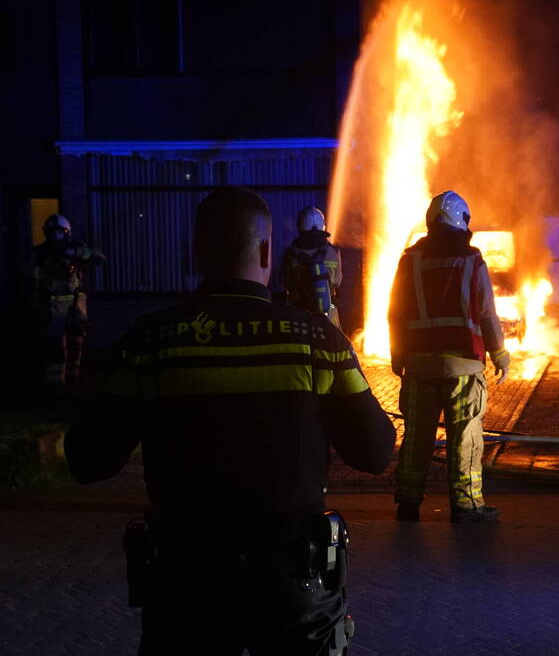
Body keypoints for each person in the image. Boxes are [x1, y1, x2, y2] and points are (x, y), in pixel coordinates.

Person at [64, 187, 396, 655]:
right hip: (293, 587)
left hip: (184, 582)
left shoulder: (150, 342)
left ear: (196, 252)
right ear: (266, 251)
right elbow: (377, 453)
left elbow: (88, 460)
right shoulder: (317, 340)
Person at [388, 190, 511, 524]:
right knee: (465, 436)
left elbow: (395, 313)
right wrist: (500, 354)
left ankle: (409, 502)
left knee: (416, 435)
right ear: (463, 221)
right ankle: (466, 505)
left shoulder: (409, 260)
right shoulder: (472, 259)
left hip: (418, 363)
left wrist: (397, 355)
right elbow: (486, 312)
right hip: (463, 365)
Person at [30, 214, 105, 390]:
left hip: (76, 306)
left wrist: (77, 252)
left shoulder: (74, 249)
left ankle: (73, 379)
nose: (57, 236)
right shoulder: (40, 252)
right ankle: (55, 384)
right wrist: (47, 270)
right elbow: (26, 269)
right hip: (52, 305)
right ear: (47, 233)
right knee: (55, 346)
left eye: (60, 232)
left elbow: (99, 257)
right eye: (53, 233)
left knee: (76, 344)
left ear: (67, 233)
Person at [281, 206, 344, 329]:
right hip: (329, 318)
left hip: (299, 317)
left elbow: (285, 281)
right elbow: (337, 282)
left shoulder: (290, 253)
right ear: (323, 225)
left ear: (300, 225)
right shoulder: (333, 251)